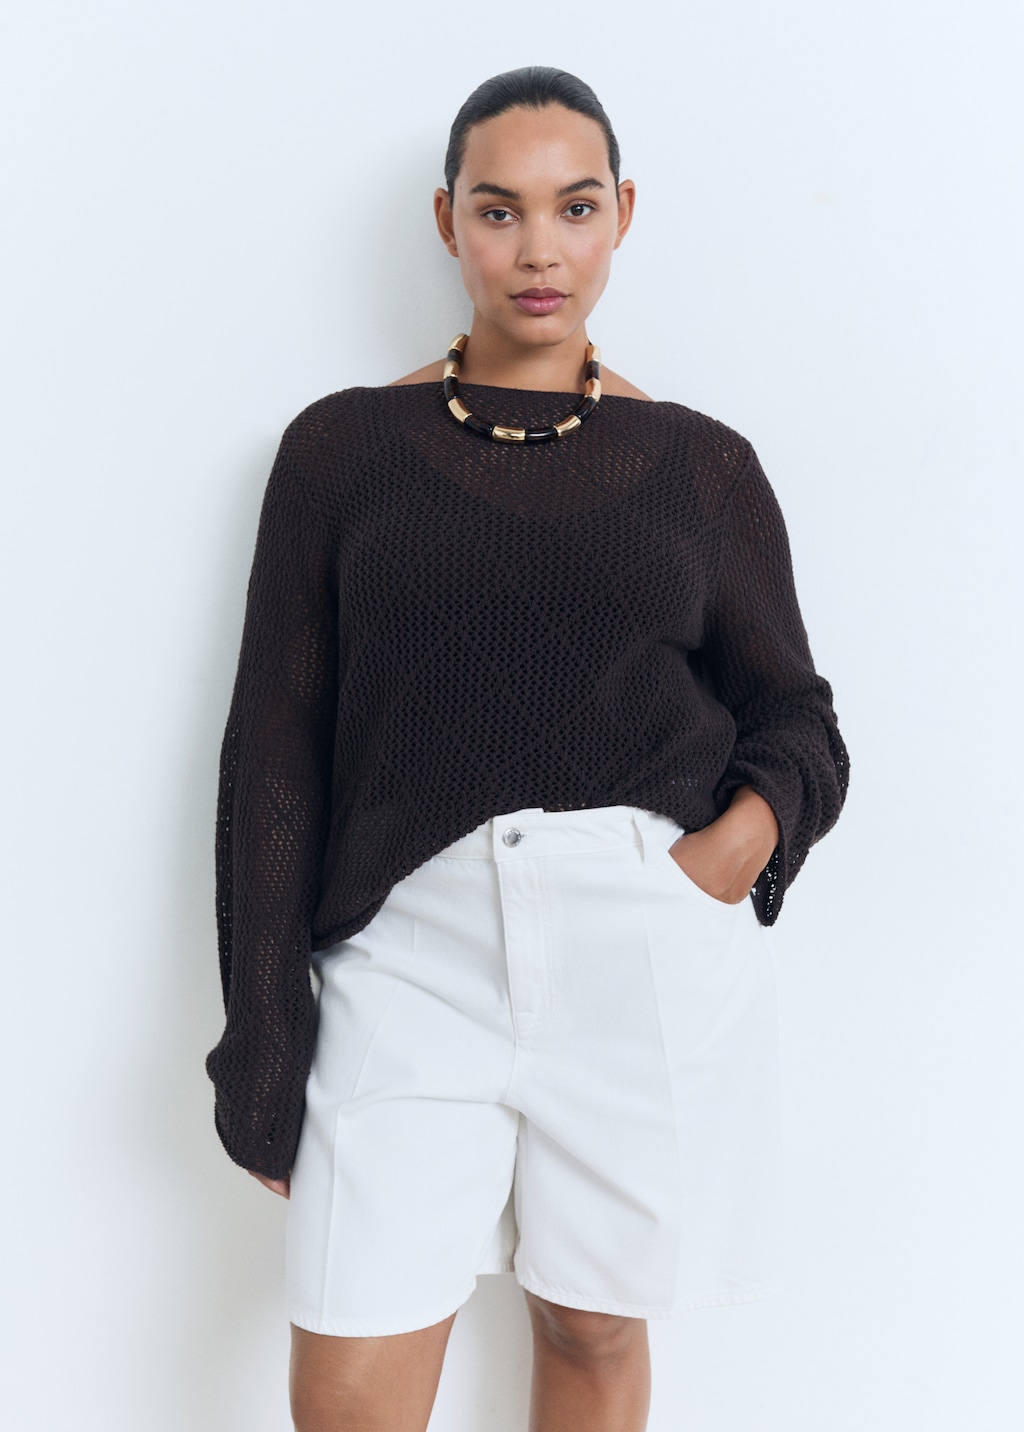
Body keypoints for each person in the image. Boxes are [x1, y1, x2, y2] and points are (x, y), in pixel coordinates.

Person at [207, 66, 848, 1432]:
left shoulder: (701, 468)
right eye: (499, 211)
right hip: (407, 958)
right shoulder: (340, 452)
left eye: (576, 207)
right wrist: (263, 1031)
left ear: (625, 214)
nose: (539, 249)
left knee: (593, 1328)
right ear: (448, 221)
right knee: (351, 1375)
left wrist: (724, 858)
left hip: (641, 946)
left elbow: (798, 719)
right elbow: (273, 758)